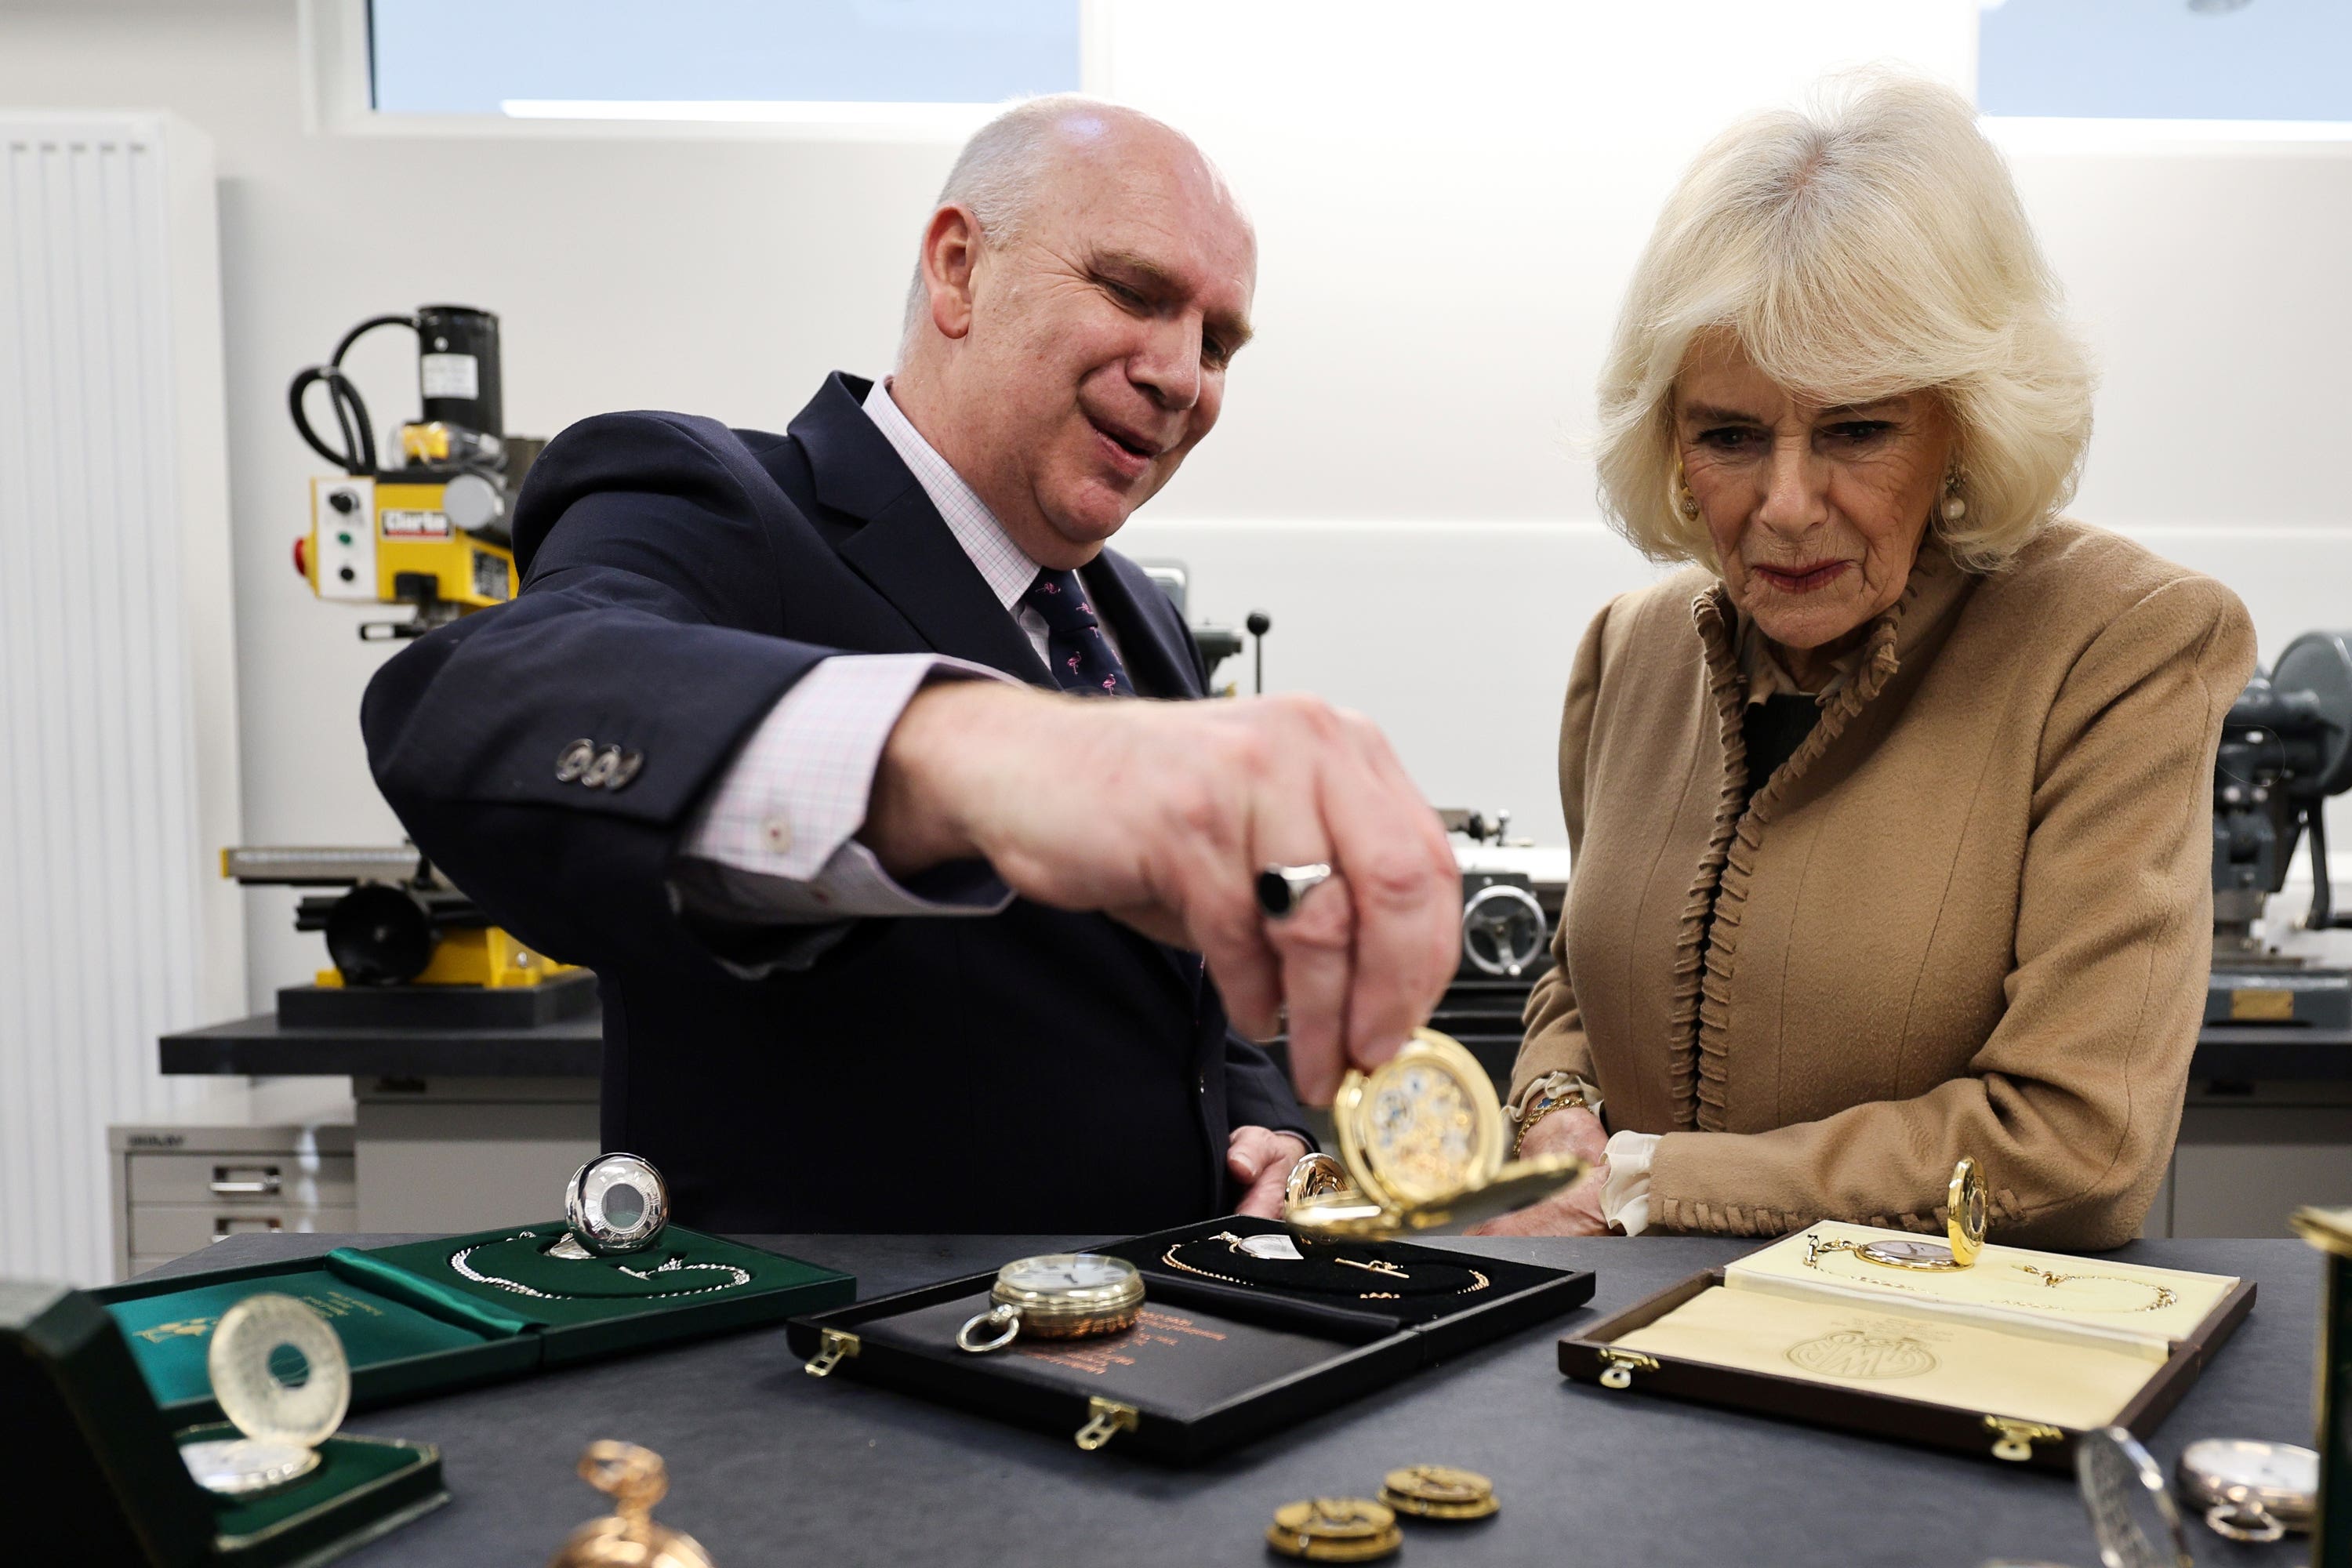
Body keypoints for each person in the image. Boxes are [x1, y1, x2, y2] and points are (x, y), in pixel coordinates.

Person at [362, 96, 1460, 1232]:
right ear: (958, 270)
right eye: (1133, 293)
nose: (1184, 376)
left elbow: (1166, 1000)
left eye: (1220, 342)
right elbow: (473, 701)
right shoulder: (717, 503)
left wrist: (1261, 1124)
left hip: (1148, 1356)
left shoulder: (1134, 617)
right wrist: (963, 748)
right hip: (815, 1379)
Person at [1474, 72, 2255, 1248]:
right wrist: (1558, 1112)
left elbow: (2077, 1147)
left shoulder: (2122, 648)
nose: (1786, 506)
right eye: (1730, 435)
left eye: (1856, 429)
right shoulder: (1628, 656)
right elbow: (1580, 986)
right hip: (1605, 1372)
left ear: (1966, 425)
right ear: (1670, 443)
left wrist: (1644, 1184)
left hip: (1910, 1387)